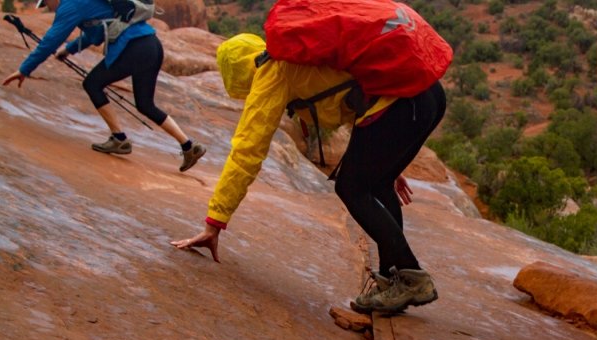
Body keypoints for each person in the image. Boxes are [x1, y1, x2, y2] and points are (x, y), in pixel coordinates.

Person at [172, 34, 447, 314]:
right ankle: (391, 280)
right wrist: (386, 160)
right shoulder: (295, 57)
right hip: (426, 92)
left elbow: (245, 154)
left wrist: (214, 222)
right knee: (376, 184)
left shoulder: (271, 74)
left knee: (350, 188)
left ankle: (411, 275)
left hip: (402, 103)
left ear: (238, 75)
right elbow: (349, 92)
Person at [2, 0, 205, 172]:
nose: (49, 8)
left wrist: (25, 69)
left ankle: (119, 138)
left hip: (133, 48)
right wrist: (69, 51)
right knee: (145, 104)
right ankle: (189, 146)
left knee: (92, 84)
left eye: (46, 3)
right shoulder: (87, 3)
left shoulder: (69, 5)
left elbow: (50, 41)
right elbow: (95, 34)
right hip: (151, 45)